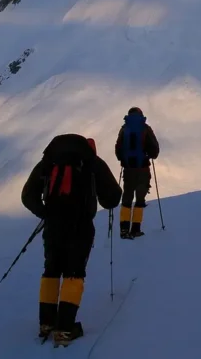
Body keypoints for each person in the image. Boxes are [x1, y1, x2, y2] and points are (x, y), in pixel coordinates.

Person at [21, 134, 122, 347]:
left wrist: (46, 212)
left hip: (53, 226)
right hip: (81, 226)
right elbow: (112, 197)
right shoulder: (93, 163)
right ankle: (65, 329)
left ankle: (46, 323)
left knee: (51, 270)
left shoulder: (49, 162)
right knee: (73, 274)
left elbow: (28, 195)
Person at [114, 107, 160, 239]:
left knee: (127, 199)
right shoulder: (145, 128)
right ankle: (135, 228)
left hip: (128, 169)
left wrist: (124, 160)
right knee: (140, 199)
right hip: (143, 169)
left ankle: (124, 229)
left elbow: (118, 149)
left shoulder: (124, 129)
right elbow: (154, 150)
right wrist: (149, 155)